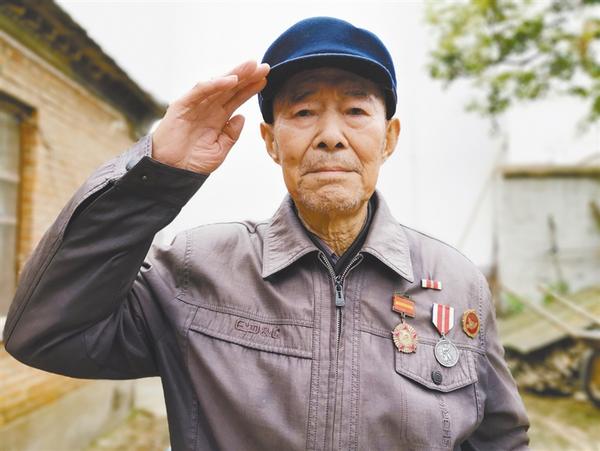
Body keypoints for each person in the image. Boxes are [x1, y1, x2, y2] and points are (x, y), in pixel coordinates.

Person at [3, 16, 530, 451]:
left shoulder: (457, 283)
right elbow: (42, 333)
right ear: (271, 141)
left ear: (388, 137)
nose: (330, 136)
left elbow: (500, 439)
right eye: (303, 111)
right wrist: (155, 174)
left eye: (355, 110)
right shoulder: (195, 269)